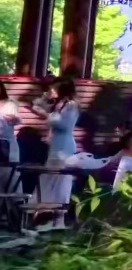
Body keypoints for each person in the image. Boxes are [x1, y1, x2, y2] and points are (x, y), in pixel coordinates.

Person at [28, 78, 81, 206]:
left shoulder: (71, 105)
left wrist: (47, 115)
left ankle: (57, 211)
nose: (51, 91)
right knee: (48, 179)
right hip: (55, 146)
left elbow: (64, 125)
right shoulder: (58, 104)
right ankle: (44, 210)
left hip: (64, 147)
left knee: (60, 180)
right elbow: (35, 105)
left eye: (54, 88)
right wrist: (45, 97)